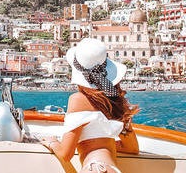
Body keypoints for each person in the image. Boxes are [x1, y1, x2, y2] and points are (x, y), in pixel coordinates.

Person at [43, 38, 139, 173]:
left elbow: (65, 154)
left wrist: (51, 142)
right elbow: (132, 149)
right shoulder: (116, 102)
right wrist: (103, 144)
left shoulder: (78, 100)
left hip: (94, 168)